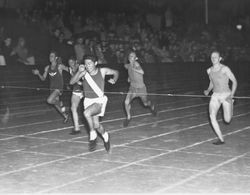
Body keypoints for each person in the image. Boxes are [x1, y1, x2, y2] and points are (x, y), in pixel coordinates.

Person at [70, 54, 119, 152]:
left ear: (95, 63)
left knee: (86, 113)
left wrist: (114, 79)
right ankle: (106, 136)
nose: (87, 66)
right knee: (96, 125)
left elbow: (116, 72)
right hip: (88, 101)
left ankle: (92, 134)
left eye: (90, 64)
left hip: (99, 101)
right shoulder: (84, 73)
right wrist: (79, 72)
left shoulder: (102, 71)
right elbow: (72, 82)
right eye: (86, 64)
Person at [204, 51, 237, 145]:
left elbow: (234, 82)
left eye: (215, 57)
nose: (213, 58)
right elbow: (211, 82)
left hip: (226, 95)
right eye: (212, 57)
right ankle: (221, 139)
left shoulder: (225, 69)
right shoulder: (209, 70)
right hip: (215, 95)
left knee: (227, 120)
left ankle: (231, 103)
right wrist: (208, 90)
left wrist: (231, 96)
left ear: (220, 58)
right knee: (211, 116)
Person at [32, 51, 69, 123]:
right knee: (56, 105)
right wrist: (38, 73)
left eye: (52, 56)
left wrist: (74, 68)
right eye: (49, 56)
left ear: (56, 58)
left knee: (49, 100)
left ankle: (60, 103)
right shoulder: (47, 67)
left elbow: (69, 70)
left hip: (59, 87)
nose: (50, 57)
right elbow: (43, 79)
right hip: (52, 88)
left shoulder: (59, 66)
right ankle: (65, 115)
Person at [123, 51, 157, 127]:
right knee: (126, 102)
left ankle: (151, 105)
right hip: (132, 88)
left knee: (145, 104)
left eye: (133, 56)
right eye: (130, 56)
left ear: (136, 58)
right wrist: (129, 77)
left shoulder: (136, 64)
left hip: (141, 89)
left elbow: (142, 72)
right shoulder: (128, 65)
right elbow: (127, 67)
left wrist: (133, 69)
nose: (131, 57)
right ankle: (128, 117)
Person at [68, 57, 84, 135]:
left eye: (72, 62)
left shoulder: (80, 67)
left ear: (76, 62)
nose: (70, 64)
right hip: (76, 90)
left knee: (87, 109)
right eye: (69, 62)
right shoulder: (70, 69)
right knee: (73, 108)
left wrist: (81, 82)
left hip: (85, 90)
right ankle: (77, 128)